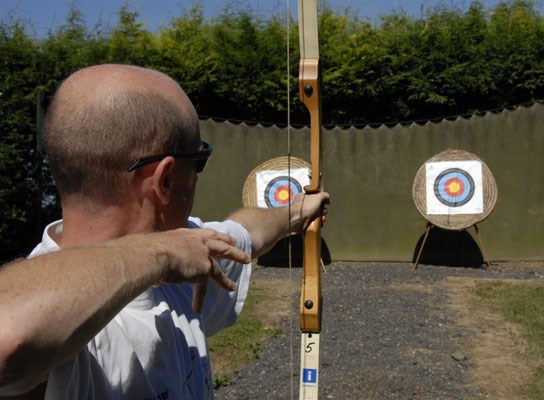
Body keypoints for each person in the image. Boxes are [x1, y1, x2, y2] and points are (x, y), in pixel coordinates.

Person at [0, 64, 329, 399]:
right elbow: (7, 335)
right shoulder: (60, 328)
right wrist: (161, 253)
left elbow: (249, 232)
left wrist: (295, 212)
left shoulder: (187, 247)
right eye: (198, 160)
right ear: (166, 179)